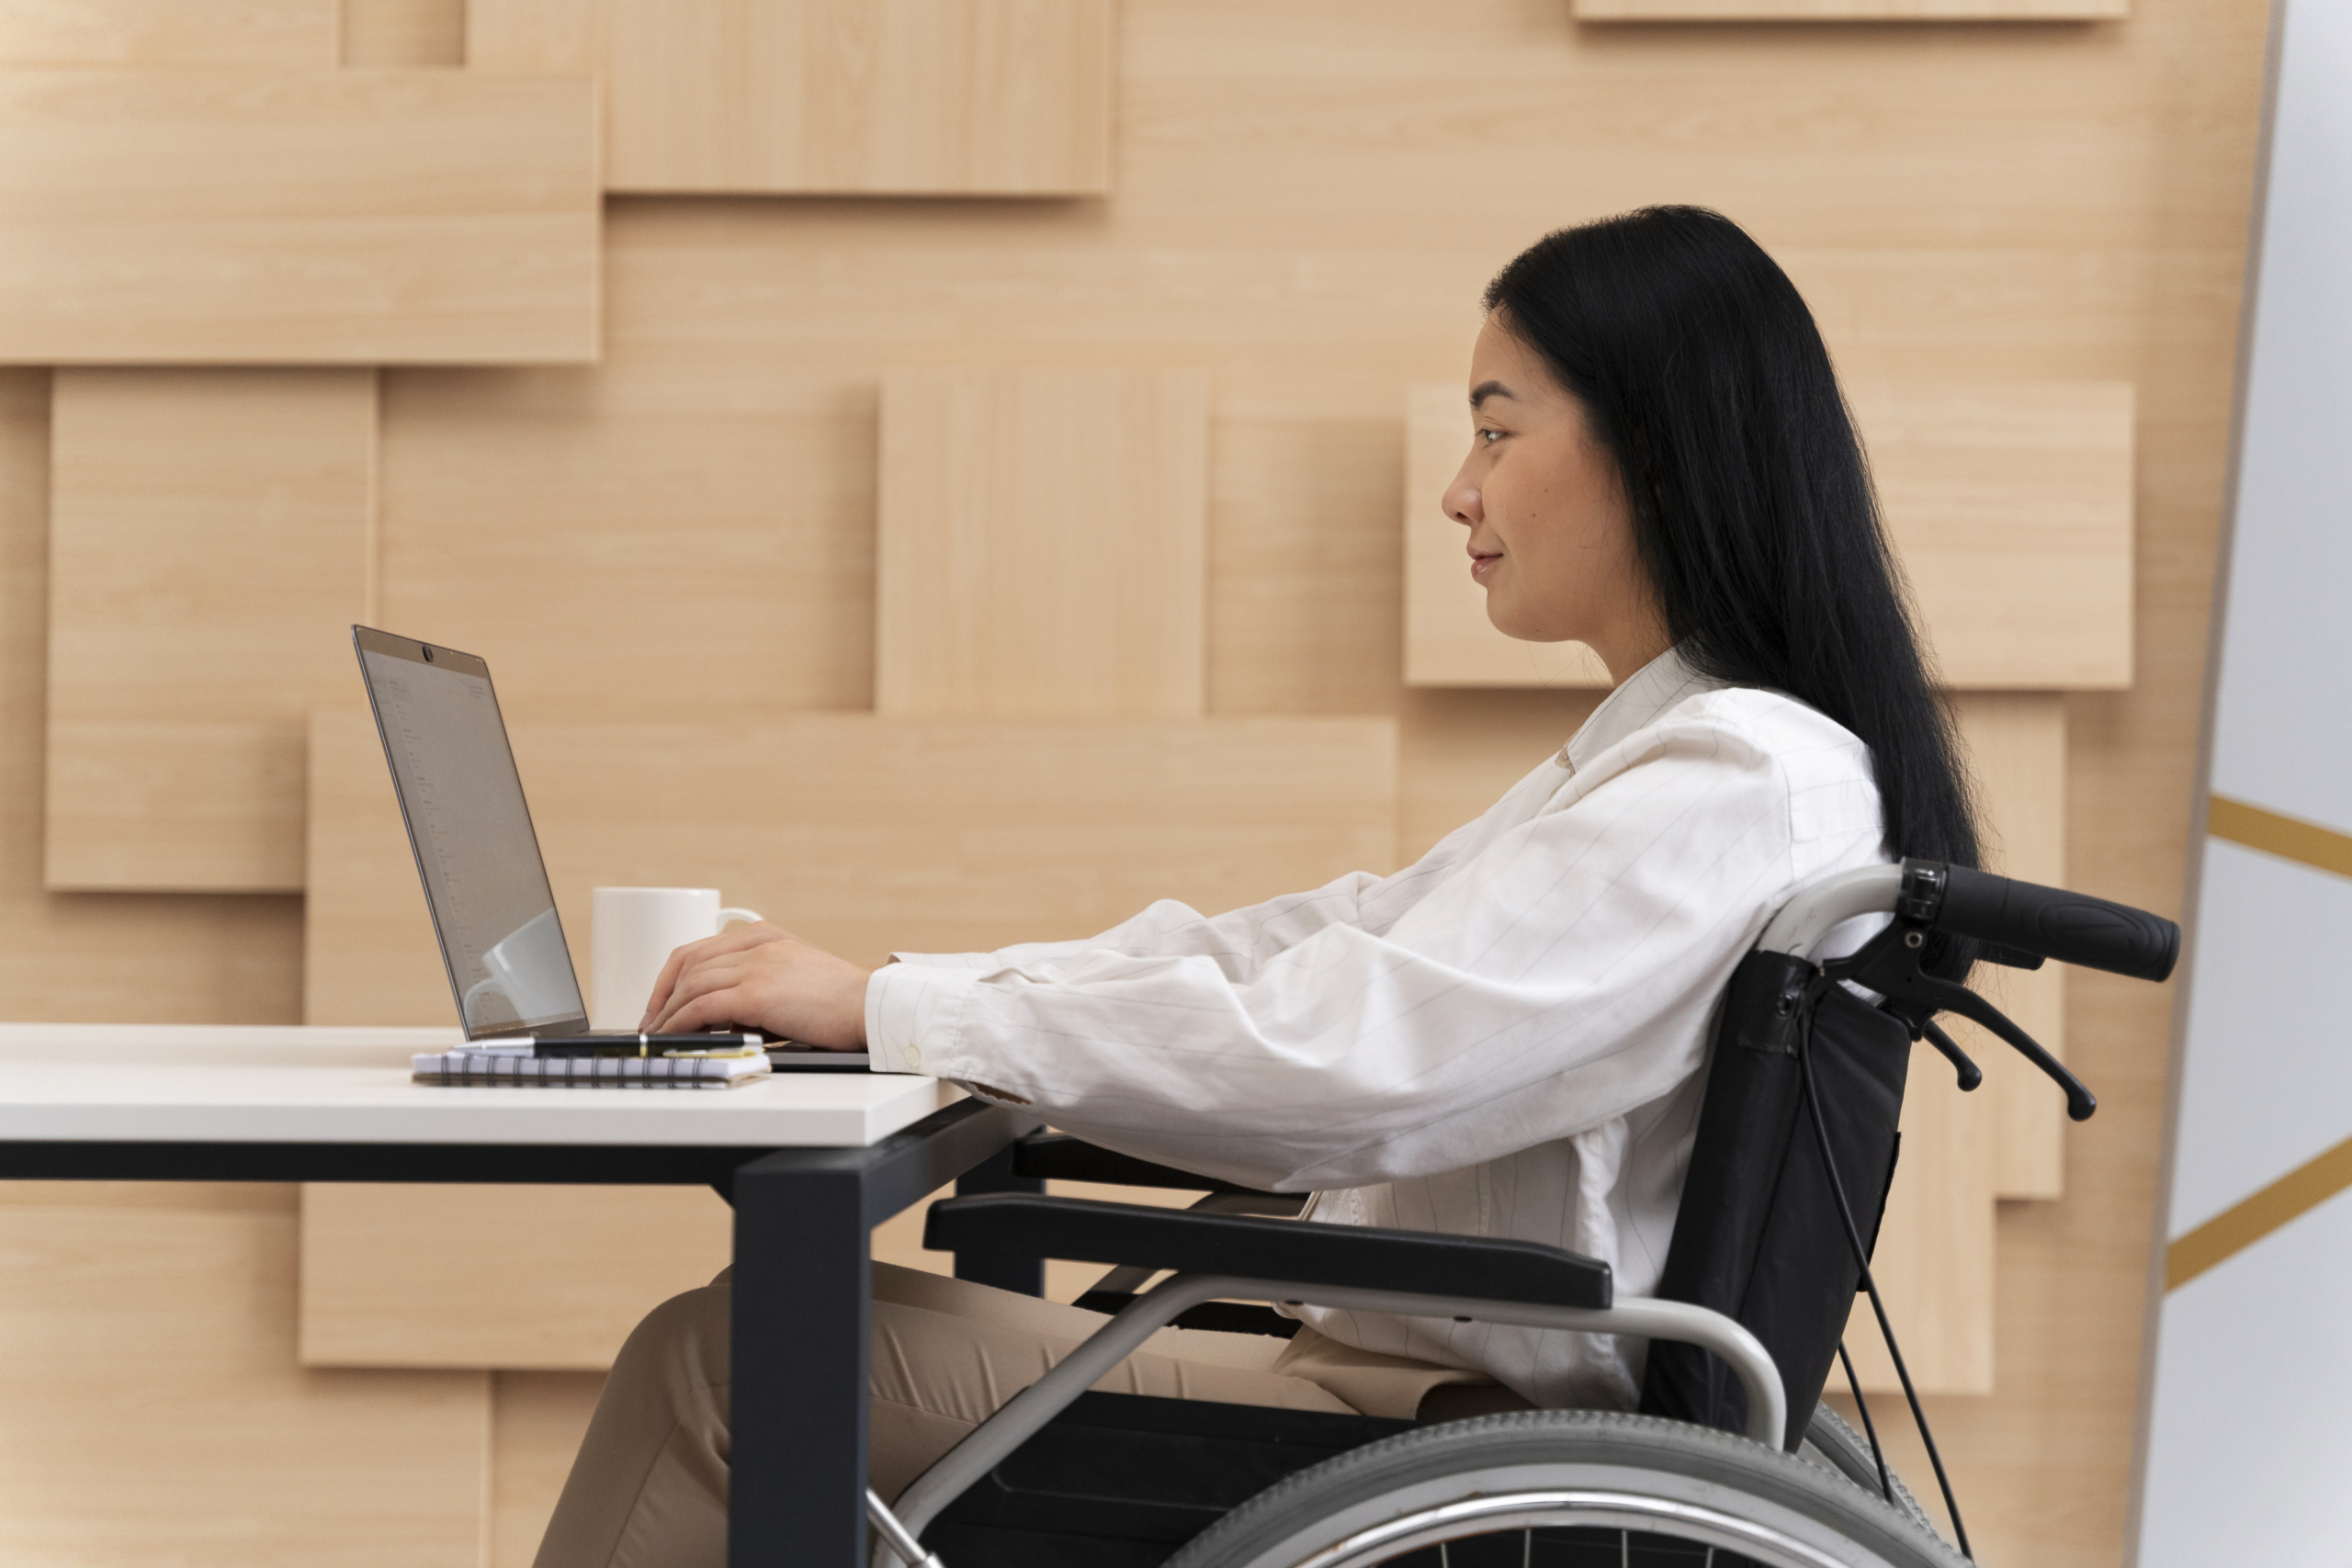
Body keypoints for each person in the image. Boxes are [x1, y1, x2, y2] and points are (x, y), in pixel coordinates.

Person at [532, 205, 1979, 1568]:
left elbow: (1358, 1057)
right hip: (1393, 1393)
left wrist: (904, 1008)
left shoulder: (1728, 787)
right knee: (755, 1342)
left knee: (730, 1361)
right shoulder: (1681, 767)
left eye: (1495, 430)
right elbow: (1327, 944)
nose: (1457, 489)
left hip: (1431, 1439)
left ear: (1656, 454)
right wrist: (903, 997)